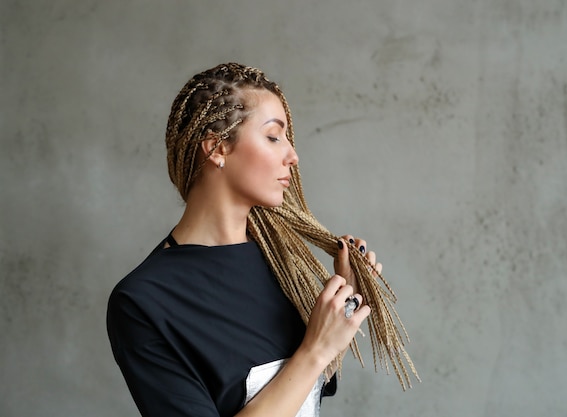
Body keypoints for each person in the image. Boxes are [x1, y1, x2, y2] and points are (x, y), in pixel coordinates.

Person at [106, 63, 417, 417]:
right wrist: (314, 349)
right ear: (217, 149)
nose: (293, 156)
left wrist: (343, 302)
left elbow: (304, 392)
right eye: (274, 136)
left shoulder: (282, 264)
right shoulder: (143, 302)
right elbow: (307, 361)